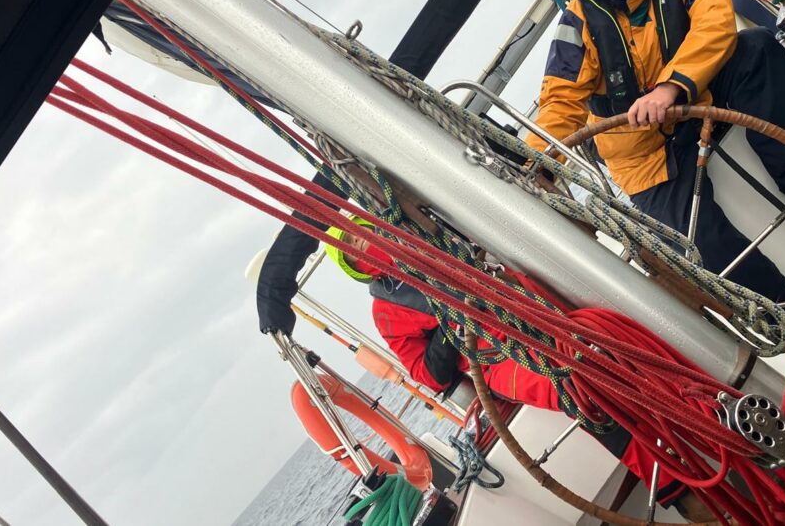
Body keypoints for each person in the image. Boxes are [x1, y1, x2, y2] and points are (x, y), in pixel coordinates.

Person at [256, 208, 700, 512]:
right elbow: (427, 373)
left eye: (358, 231)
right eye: (351, 247)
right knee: (575, 387)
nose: (361, 242)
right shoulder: (386, 311)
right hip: (497, 361)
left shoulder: (424, 231)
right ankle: (678, 490)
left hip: (530, 308)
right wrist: (451, 326)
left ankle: (701, 416)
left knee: (614, 342)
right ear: (354, 266)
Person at [529, 0, 785, 349]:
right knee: (700, 249)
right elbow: (559, 101)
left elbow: (715, 25)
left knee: (756, 49)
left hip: (697, 98)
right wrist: (536, 162)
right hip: (643, 156)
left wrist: (670, 89)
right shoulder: (577, 22)